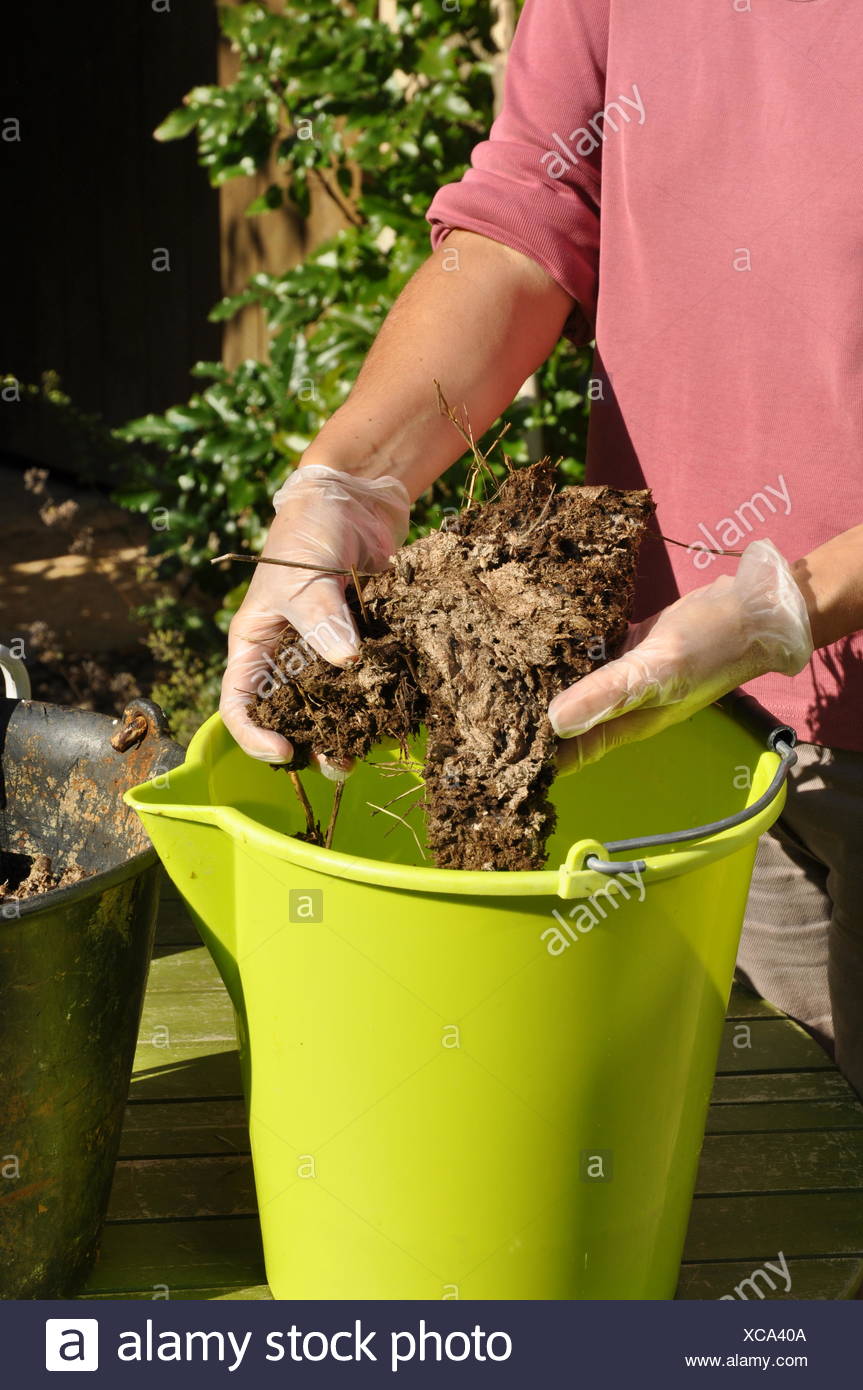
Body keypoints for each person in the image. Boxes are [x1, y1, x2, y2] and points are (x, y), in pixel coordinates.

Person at [220, 0, 863, 1094]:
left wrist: (797, 598)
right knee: (780, 1126)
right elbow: (534, 209)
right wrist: (349, 477)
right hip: (681, 704)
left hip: (756, 664)